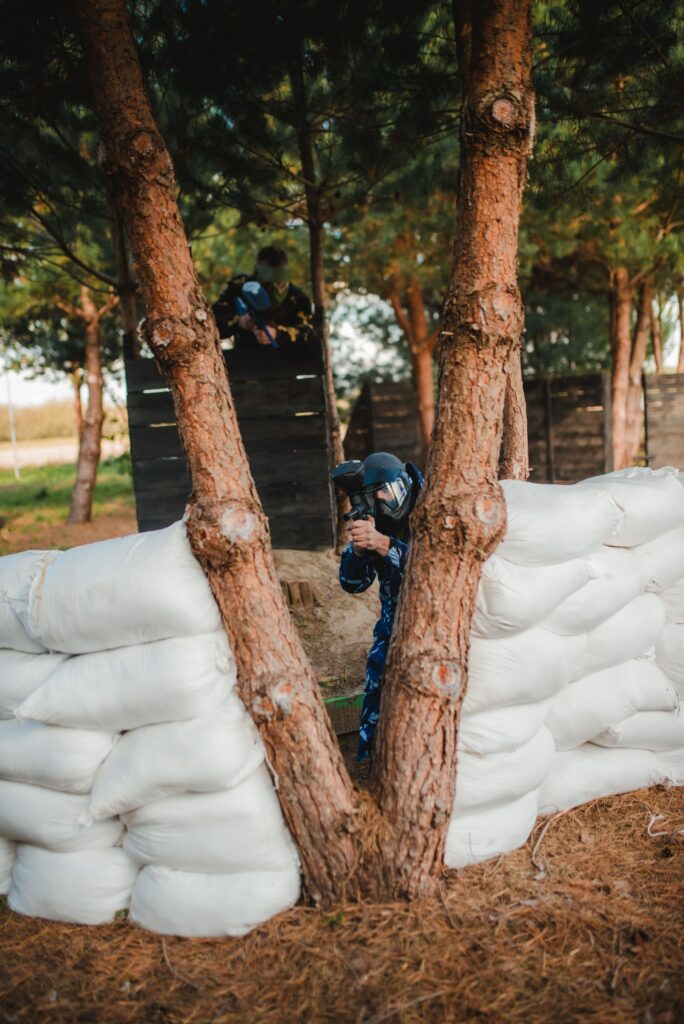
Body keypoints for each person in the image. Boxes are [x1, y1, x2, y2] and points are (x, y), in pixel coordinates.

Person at [336, 451, 424, 760]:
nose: (384, 499)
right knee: (378, 713)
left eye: (386, 491)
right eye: (375, 496)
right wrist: (360, 551)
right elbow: (352, 584)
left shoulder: (432, 509)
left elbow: (439, 568)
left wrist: (386, 545)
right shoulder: (378, 521)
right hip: (391, 635)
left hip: (435, 634)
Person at [212, 245, 315, 350]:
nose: (275, 288)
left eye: (279, 281)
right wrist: (239, 322)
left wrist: (277, 333)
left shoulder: (298, 298)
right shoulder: (239, 287)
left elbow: (309, 333)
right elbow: (211, 323)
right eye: (268, 282)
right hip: (246, 358)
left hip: (288, 361)